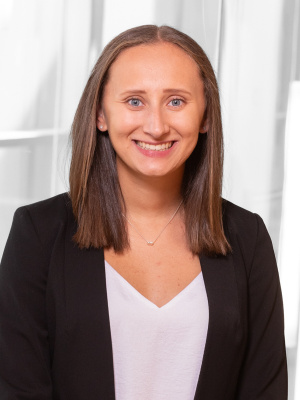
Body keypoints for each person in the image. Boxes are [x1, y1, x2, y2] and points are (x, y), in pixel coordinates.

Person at [0, 25, 287, 400]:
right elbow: (18, 388)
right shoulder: (37, 233)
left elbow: (265, 390)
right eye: (134, 101)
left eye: (176, 102)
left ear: (204, 118)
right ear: (101, 115)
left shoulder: (247, 237)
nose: (155, 126)